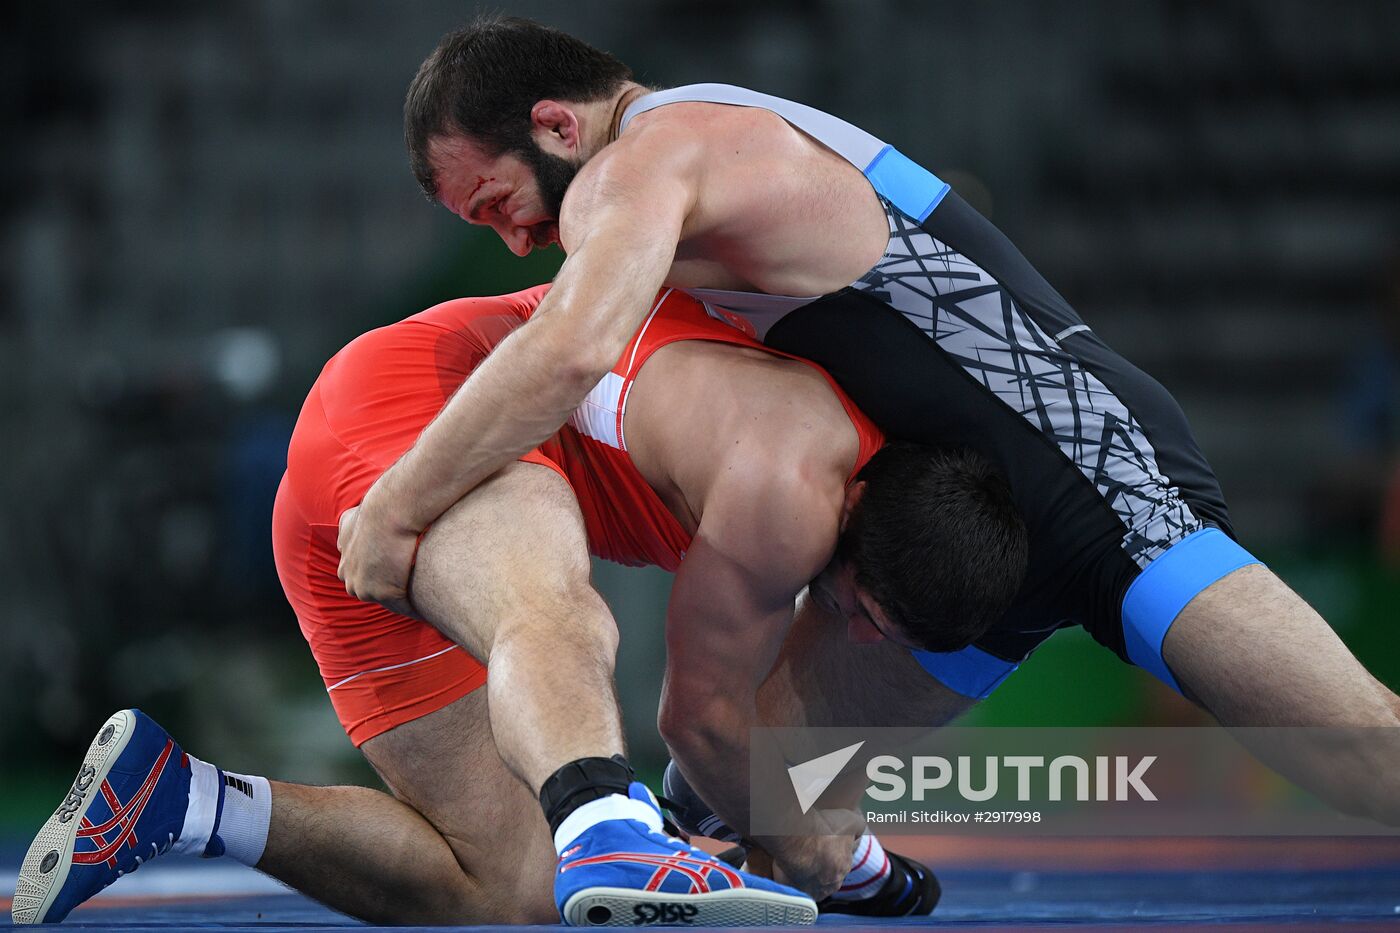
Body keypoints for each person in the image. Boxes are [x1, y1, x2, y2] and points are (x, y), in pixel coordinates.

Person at [334, 14, 1400, 890]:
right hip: (949, 541)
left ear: (557, 126)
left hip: (1104, 488)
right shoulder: (679, 151)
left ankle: (839, 870)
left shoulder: (662, 155)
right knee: (739, 786)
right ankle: (824, 875)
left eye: (498, 204)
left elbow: (566, 351)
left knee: (1363, 761)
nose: (513, 241)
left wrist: (394, 508)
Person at [13, 285, 1026, 926]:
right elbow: (700, 731)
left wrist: (775, 824)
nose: (847, 626)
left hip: (345, 522)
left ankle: (178, 801)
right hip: (430, 410)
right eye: (860, 608)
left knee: (516, 894)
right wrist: (845, 865)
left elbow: (732, 764)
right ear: (858, 511)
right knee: (558, 612)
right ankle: (603, 820)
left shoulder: (852, 500)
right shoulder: (791, 486)